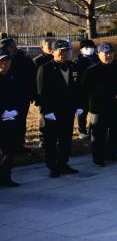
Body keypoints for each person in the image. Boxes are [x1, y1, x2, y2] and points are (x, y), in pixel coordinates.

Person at [36, 40, 82, 178]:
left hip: (68, 110)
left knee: (65, 139)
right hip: (52, 111)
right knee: (51, 140)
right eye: (60, 51)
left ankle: (63, 163)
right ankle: (52, 166)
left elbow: (77, 89)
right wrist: (46, 111)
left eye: (66, 50)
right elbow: (41, 92)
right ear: (53, 52)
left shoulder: (73, 67)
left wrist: (79, 105)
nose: (64, 53)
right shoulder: (45, 68)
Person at [80, 43, 117, 166]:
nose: (108, 56)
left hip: (115, 105)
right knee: (99, 134)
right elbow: (85, 91)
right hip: (99, 107)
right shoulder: (91, 71)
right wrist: (85, 107)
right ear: (98, 54)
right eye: (105, 53)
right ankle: (98, 158)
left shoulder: (115, 68)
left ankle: (112, 155)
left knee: (115, 132)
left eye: (110, 53)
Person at [3, 38, 37, 155]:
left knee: (20, 121)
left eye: (10, 48)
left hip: (22, 96)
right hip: (7, 97)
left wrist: (32, 94)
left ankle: (18, 145)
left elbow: (33, 77)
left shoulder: (24, 60)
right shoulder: (4, 59)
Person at [0, 52, 22, 186]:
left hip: (11, 118)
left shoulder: (13, 77)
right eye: (2, 61)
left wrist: (16, 111)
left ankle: (5, 177)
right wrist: (2, 112)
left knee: (9, 150)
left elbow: (20, 96)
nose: (5, 63)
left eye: (7, 60)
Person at [73, 38, 96, 139]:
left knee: (95, 110)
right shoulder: (77, 61)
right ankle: (82, 130)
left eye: (91, 47)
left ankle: (92, 129)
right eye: (87, 47)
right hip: (82, 90)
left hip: (95, 89)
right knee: (82, 111)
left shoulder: (97, 58)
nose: (90, 49)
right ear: (81, 49)